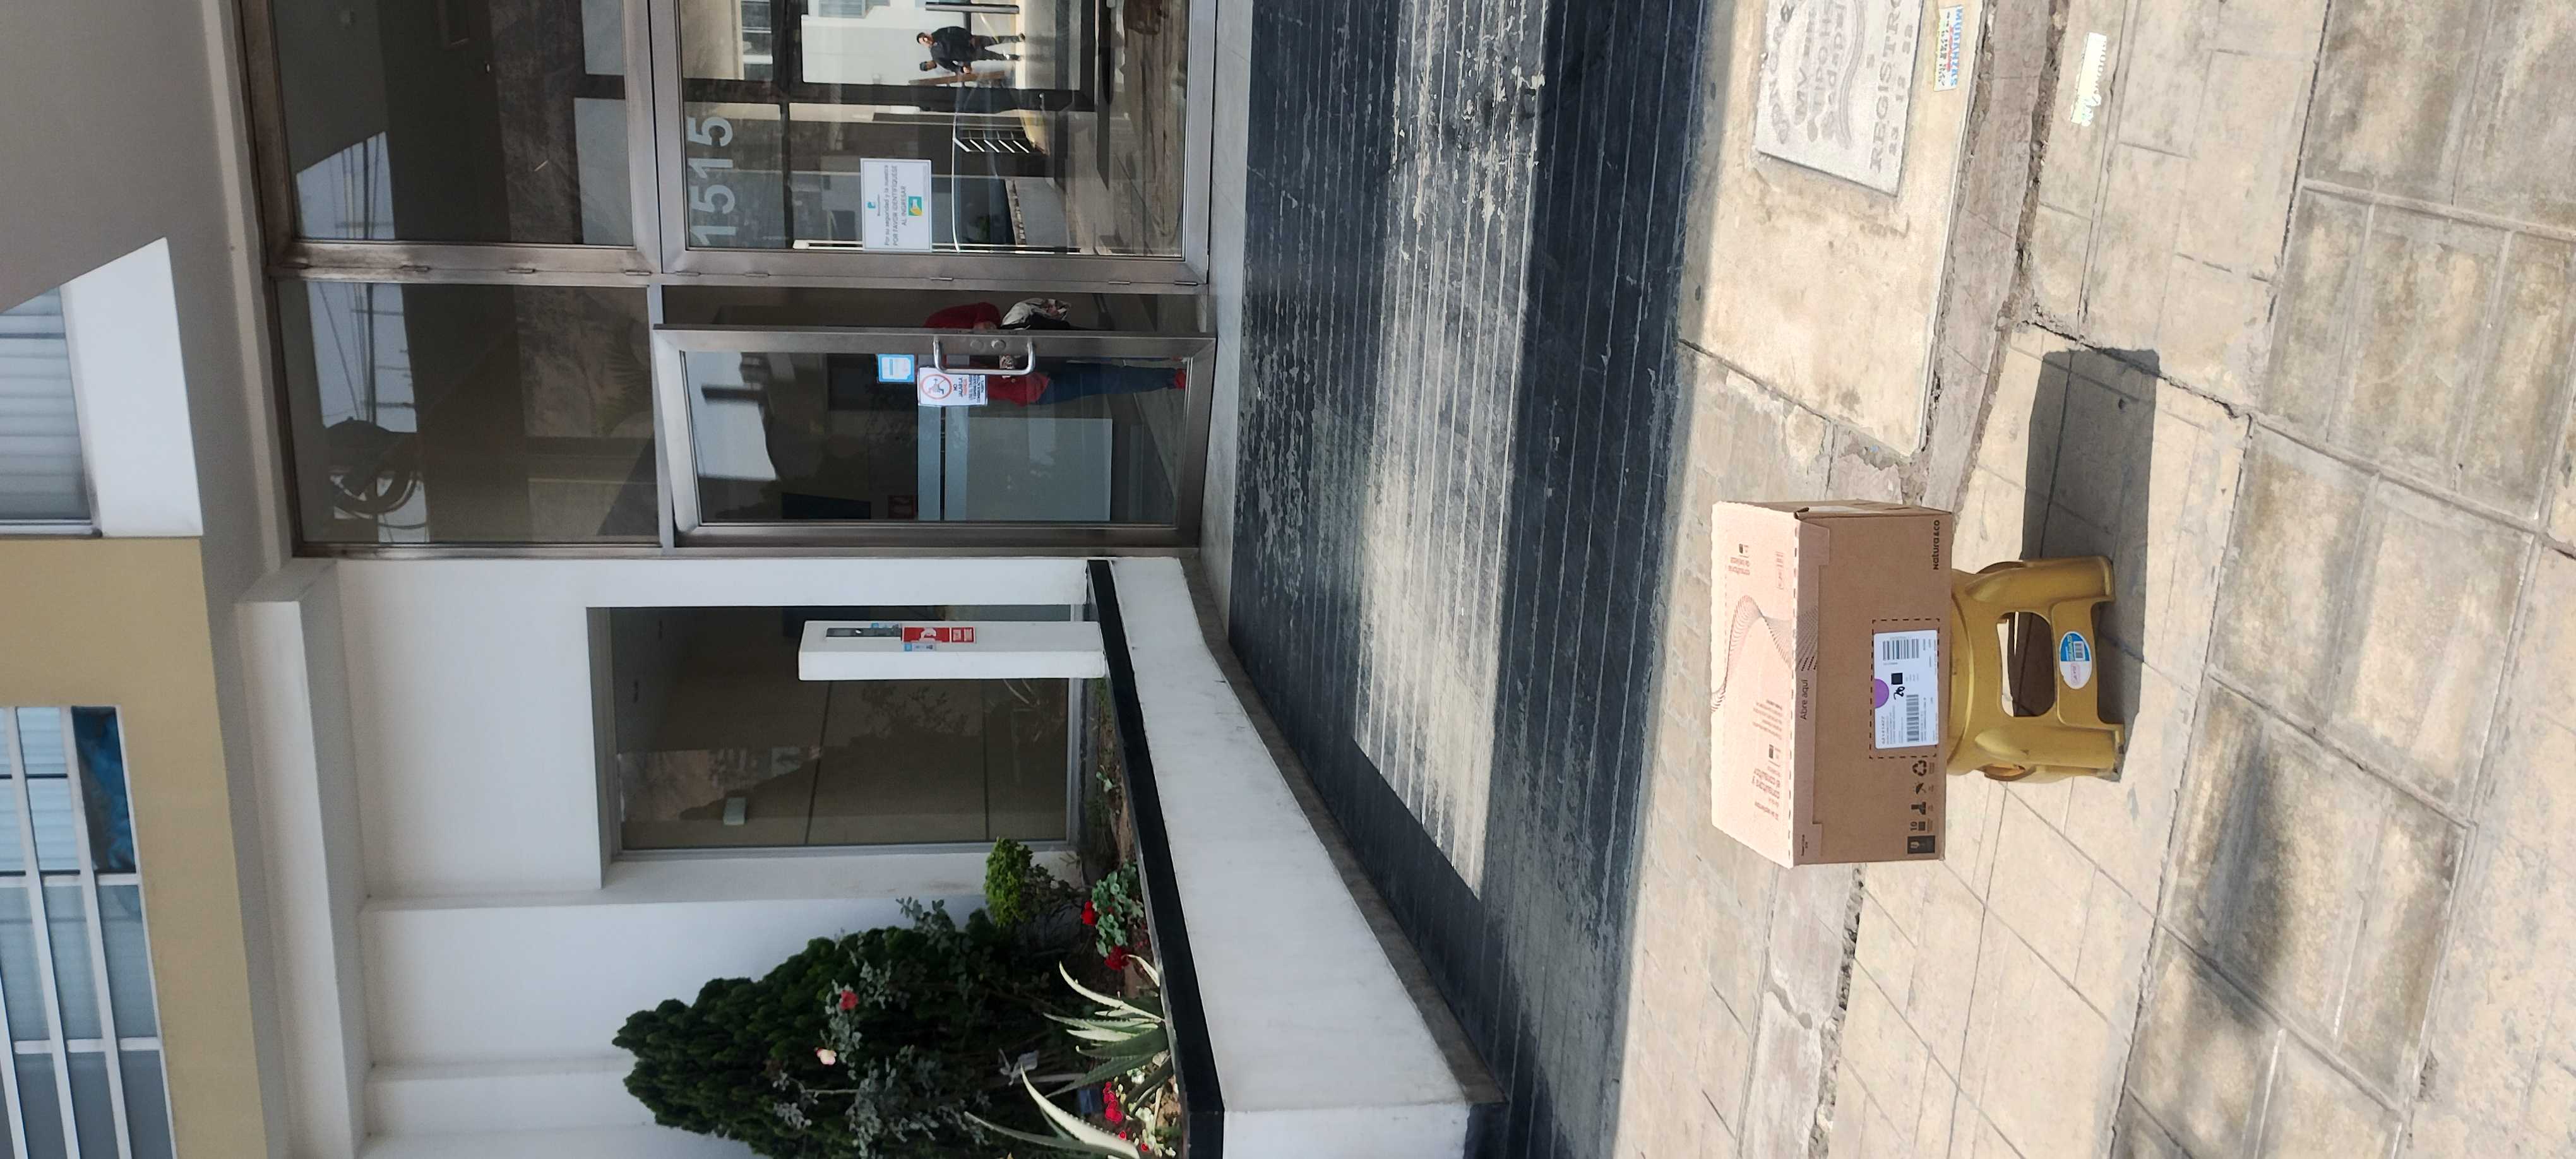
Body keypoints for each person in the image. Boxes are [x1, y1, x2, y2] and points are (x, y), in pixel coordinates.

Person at [922, 300, 1184, 405]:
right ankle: (1175, 379)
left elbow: (985, 307)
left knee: (1105, 346)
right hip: (1032, 387)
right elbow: (978, 395)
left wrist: (983, 323)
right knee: (1109, 380)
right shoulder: (928, 385)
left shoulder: (935, 324)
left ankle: (1170, 350)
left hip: (1034, 343)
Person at [917, 27, 1021, 74]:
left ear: (927, 34)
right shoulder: (936, 55)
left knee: (996, 40)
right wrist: (962, 70)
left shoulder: (940, 33)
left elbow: (956, 30)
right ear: (924, 45)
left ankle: (1017, 39)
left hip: (973, 41)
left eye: (925, 37)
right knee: (995, 56)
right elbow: (950, 66)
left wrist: (969, 36)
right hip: (971, 54)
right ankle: (1014, 57)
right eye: (924, 41)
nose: (927, 40)